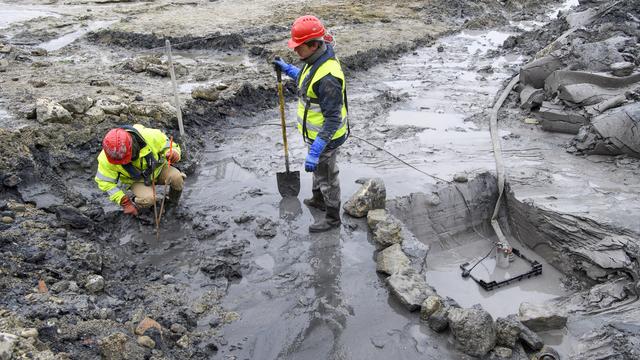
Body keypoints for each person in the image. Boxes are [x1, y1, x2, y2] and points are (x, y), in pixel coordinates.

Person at [273, 15, 349, 233]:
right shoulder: (315, 61)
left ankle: (333, 218)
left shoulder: (329, 78)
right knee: (318, 172)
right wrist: (288, 69)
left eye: (299, 47)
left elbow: (333, 119)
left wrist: (317, 149)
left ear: (314, 44)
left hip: (327, 138)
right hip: (316, 135)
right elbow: (307, 81)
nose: (296, 51)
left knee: (327, 176)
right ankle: (318, 200)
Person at [95, 124, 185, 217]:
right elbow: (105, 182)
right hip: (136, 180)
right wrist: (125, 202)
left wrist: (173, 153)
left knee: (177, 178)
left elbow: (170, 146)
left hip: (158, 170)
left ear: (132, 145)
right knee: (148, 199)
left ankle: (172, 204)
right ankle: (136, 201)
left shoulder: (150, 136)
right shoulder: (105, 159)